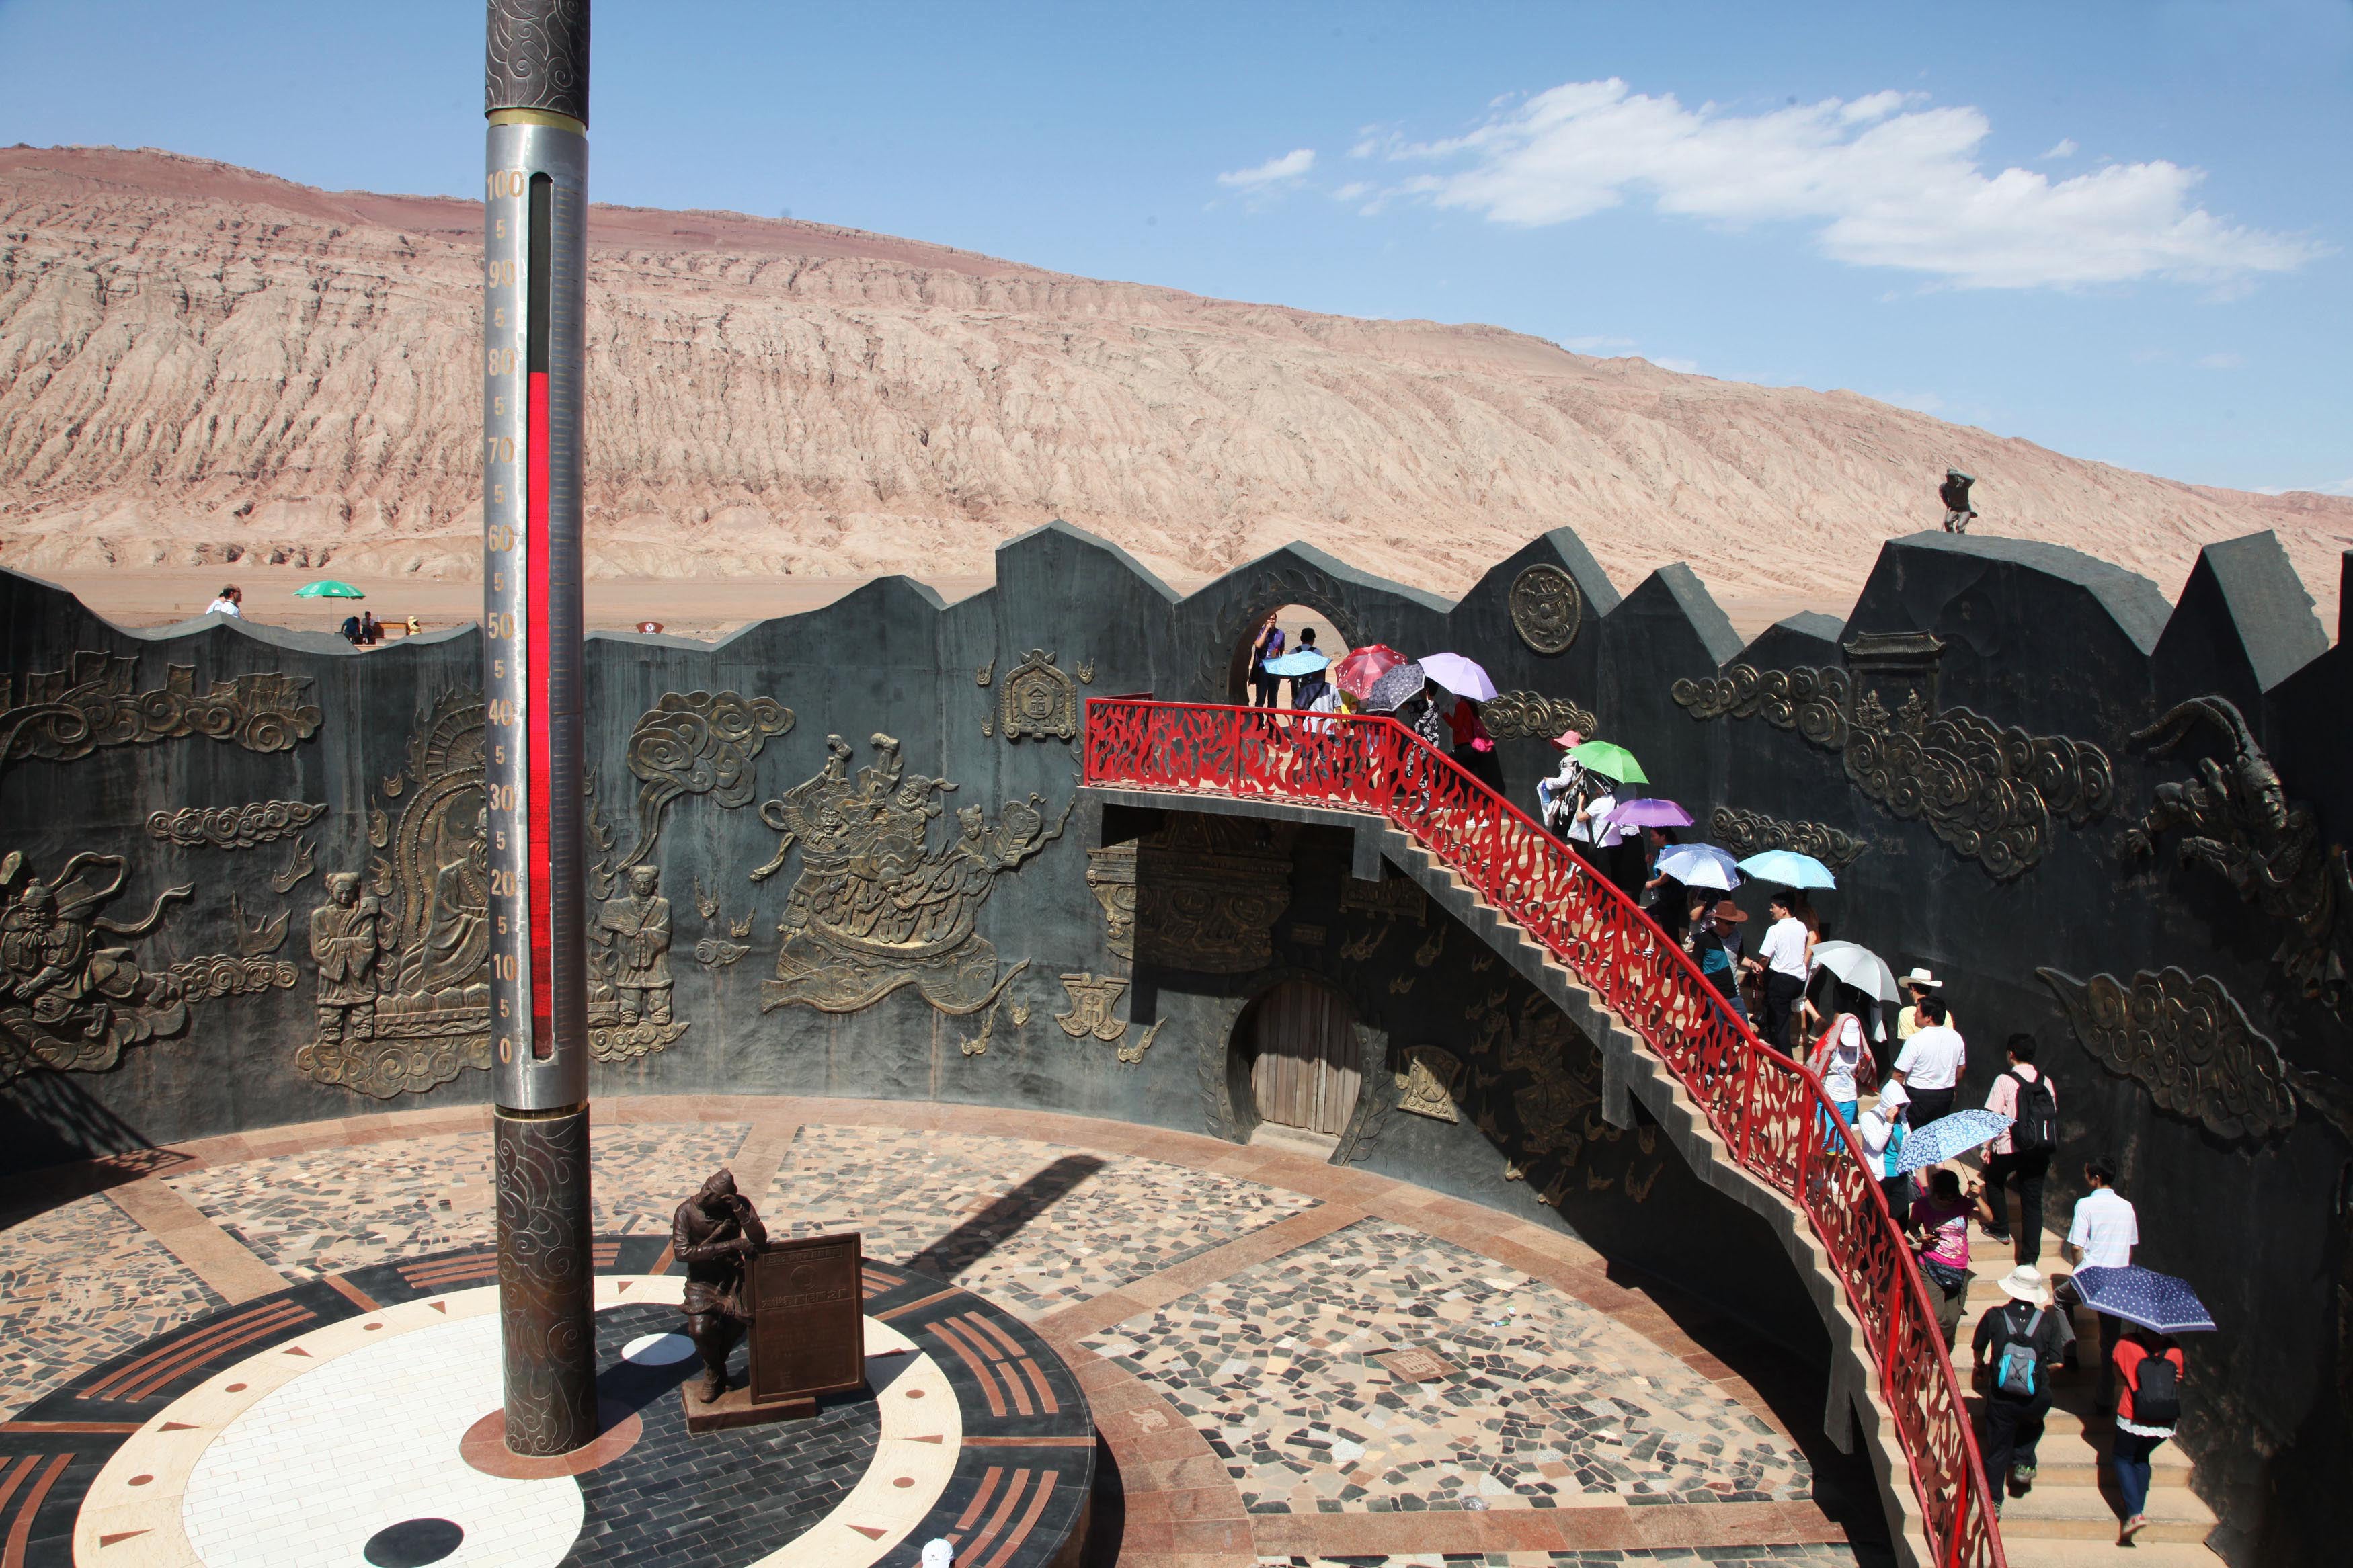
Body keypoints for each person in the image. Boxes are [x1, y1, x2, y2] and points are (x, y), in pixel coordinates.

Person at [1972, 1264, 2071, 1510]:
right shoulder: (2047, 1322)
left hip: (2001, 1399)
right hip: (2035, 1399)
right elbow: (2058, 1362)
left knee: (1997, 1450)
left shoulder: (1994, 1316)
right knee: (2033, 1424)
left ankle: (1994, 1501)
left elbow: (1978, 1347)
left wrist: (1980, 1366)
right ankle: (2024, 1462)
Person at [672, 1169, 768, 1402]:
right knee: (701, 1330)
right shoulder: (686, 1211)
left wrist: (738, 1209)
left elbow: (759, 1239)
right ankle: (715, 1371)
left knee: (740, 1324)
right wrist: (730, 1245)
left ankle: (715, 1368)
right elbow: (682, 1252)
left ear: (723, 1198)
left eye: (712, 1194)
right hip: (702, 1281)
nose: (704, 1195)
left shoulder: (738, 1206)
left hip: (733, 1277)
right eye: (706, 1187)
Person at [2057, 1157, 2139, 1410]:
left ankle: (2070, 1352)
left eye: (2087, 1175)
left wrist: (2079, 1269)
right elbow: (2130, 1246)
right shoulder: (2127, 1207)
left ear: (2096, 1178)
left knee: (2060, 1299)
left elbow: (2076, 1246)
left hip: (2091, 1275)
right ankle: (2105, 1400)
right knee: (2109, 1341)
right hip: (2117, 1278)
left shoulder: (2085, 1205)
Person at [1981, 1034, 2057, 1262]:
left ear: (2011, 1053)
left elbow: (1993, 1117)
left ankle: (2001, 1227)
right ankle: (2030, 1258)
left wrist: (1987, 1146)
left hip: (2009, 1147)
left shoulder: (2004, 1080)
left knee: (1994, 1180)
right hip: (2038, 1149)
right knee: (2032, 1202)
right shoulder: (2046, 1081)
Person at [2111, 1323, 2184, 1544]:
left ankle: (2135, 1513)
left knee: (2122, 1458)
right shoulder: (2175, 1349)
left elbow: (2119, 1375)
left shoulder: (2125, 1343)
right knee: (2142, 1459)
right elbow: (2177, 1377)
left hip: (2133, 1414)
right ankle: (2135, 1508)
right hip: (2164, 1419)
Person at [1908, 1166, 1994, 1348]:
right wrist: (1919, 1237)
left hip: (1958, 1268)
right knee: (1935, 1317)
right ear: (1934, 1192)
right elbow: (1913, 1225)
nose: (1947, 1202)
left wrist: (1976, 1197)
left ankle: (1939, 1344)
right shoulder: (1922, 1206)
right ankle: (1928, 1348)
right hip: (1931, 1265)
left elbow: (1987, 1218)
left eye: (1951, 1198)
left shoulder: (1962, 1204)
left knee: (1951, 1320)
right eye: (1943, 1198)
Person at [1743, 889, 1810, 1050]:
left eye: (1774, 907)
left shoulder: (1775, 930)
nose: (1771, 910)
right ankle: (1768, 1031)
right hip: (1799, 982)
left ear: (1784, 909)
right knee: (1773, 1008)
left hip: (1782, 982)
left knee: (1782, 1024)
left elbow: (1765, 957)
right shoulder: (1802, 927)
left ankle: (1786, 1063)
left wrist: (1759, 967)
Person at [1891, 993, 1966, 1130]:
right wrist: (1951, 1086)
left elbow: (1899, 1074)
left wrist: (1892, 1099)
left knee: (1915, 1136)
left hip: (1918, 1099)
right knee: (1936, 1136)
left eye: (1917, 1012)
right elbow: (1961, 1069)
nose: (1914, 1016)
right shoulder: (1956, 1038)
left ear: (1928, 1017)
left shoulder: (1915, 1040)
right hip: (1945, 1097)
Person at [1807, 988, 1873, 1128]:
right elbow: (1813, 1068)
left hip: (1849, 1100)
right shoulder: (1826, 1049)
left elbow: (1861, 1069)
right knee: (1829, 1141)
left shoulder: (1859, 1049)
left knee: (1841, 1142)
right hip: (1829, 1097)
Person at [1856, 1080, 1913, 1215]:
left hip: (1900, 1175)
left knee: (1901, 1219)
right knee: (1878, 1219)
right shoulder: (1868, 1118)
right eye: (1897, 1105)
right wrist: (1888, 1123)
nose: (1899, 1109)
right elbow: (1876, 1146)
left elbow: (1906, 1141)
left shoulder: (1902, 1118)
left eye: (1902, 1105)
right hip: (1881, 1176)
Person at [1690, 898, 1748, 1022]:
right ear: (1718, 921)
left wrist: (1753, 964)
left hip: (1733, 992)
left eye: (1734, 923)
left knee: (1741, 1028)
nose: (1732, 926)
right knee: (1717, 1030)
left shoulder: (1737, 936)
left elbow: (1740, 958)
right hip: (1713, 994)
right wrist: (1695, 990)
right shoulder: (1704, 939)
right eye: (1728, 923)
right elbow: (1695, 966)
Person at [1447, 696, 1505, 792]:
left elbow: (1457, 726)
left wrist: (1445, 715)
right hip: (1472, 746)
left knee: (1445, 767)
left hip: (1464, 746)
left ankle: (1444, 797)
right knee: (1471, 774)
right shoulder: (1471, 705)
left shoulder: (1461, 705)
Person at [1535, 731, 1584, 837]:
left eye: (1565, 744)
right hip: (1580, 801)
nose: (1562, 746)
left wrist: (1549, 782)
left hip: (1568, 804)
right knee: (1573, 835)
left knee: (1560, 836)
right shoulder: (1581, 760)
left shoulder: (1569, 760)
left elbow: (1564, 781)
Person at [1895, 968, 1956, 1038]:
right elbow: (1950, 1040)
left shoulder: (1905, 1013)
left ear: (1912, 988)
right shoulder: (1946, 1014)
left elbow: (1907, 1045)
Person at [1249, 614, 1284, 708]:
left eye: (1273, 619)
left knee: (1273, 699)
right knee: (1260, 698)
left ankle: (1271, 721)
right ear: (1265, 620)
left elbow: (1282, 650)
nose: (1271, 621)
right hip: (1262, 669)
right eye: (1269, 619)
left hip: (1275, 670)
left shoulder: (1280, 633)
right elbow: (1258, 645)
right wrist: (1266, 630)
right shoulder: (1259, 632)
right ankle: (1259, 721)